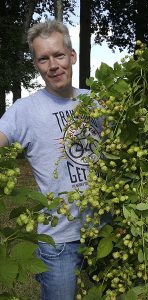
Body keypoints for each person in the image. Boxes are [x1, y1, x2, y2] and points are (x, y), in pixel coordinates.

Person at [0, 19, 101, 300]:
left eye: (58, 55)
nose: (53, 65)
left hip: (106, 230)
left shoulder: (97, 102)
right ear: (36, 65)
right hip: (58, 241)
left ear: (72, 56)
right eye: (43, 59)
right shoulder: (25, 110)